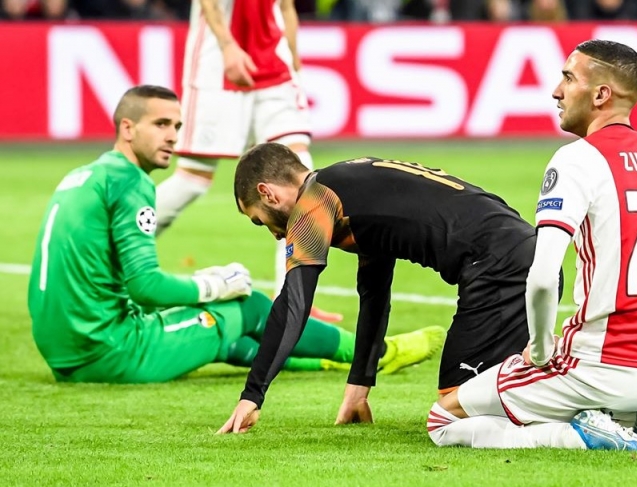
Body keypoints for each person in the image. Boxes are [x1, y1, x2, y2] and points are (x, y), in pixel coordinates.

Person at [426, 40, 637, 451]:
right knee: (567, 397)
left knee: (443, 419)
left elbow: (543, 277)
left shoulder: (577, 160)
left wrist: (541, 350)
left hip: (596, 368)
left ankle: (581, 438)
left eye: (568, 78)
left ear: (601, 94)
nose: (556, 91)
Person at [27, 85, 443, 384]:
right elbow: (145, 287)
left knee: (227, 334)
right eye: (160, 124)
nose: (173, 136)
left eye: (177, 125)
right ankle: (381, 353)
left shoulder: (84, 175)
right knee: (248, 306)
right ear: (127, 128)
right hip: (109, 351)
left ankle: (326, 361)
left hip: (64, 349)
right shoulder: (130, 182)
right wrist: (215, 284)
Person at [216, 144, 555, 434]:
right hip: (527, 256)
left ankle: (563, 429)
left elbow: (293, 305)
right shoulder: (351, 186)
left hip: (499, 270)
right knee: (493, 392)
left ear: (268, 193)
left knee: (452, 416)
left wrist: (252, 395)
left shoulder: (315, 202)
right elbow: (374, 294)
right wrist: (358, 388)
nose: (275, 234)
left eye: (259, 220)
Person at [153, 0, 341, 322]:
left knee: (302, 183)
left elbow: (286, 6)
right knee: (191, 181)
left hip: (275, 67)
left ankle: (292, 300)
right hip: (219, 65)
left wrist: (293, 55)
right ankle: (107, 251)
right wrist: (228, 46)